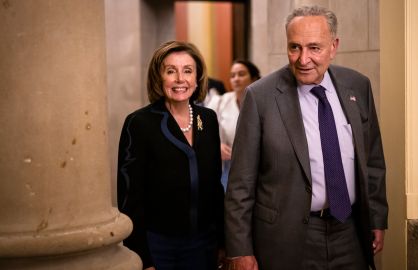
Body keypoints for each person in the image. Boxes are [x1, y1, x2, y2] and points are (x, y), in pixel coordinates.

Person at [224, 5, 387, 270]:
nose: (303, 59)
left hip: (351, 233)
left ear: (333, 46)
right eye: (294, 47)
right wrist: (239, 249)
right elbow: (240, 183)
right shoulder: (261, 97)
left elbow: (373, 161)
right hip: (287, 237)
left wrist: (378, 218)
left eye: (314, 48)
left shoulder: (357, 86)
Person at [117, 40, 224, 270]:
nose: (179, 79)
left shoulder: (209, 119)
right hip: (159, 247)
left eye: (187, 71)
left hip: (205, 244)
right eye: (170, 71)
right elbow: (130, 197)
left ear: (197, 78)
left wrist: (223, 242)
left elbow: (215, 187)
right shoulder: (139, 123)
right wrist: (143, 258)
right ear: (159, 77)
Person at [209, 60, 261, 190]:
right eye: (232, 76)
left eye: (241, 74)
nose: (236, 79)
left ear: (253, 78)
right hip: (227, 168)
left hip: (256, 168)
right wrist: (217, 145)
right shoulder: (220, 102)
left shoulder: (264, 103)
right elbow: (203, 130)